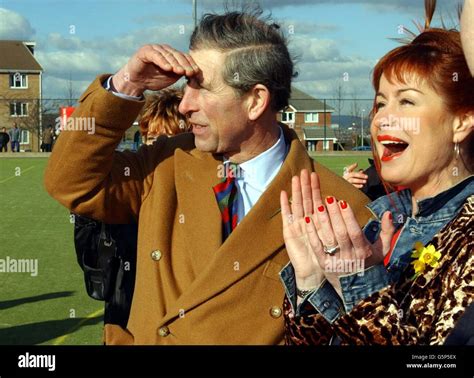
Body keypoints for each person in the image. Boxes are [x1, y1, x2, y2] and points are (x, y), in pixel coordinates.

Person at [44, 9, 372, 345]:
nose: (184, 105)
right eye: (188, 86)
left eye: (201, 88)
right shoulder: (167, 161)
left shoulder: (343, 208)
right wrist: (128, 83)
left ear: (256, 100)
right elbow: (72, 183)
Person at [280, 0, 473, 345]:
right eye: (380, 103)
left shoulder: (467, 238)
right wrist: (312, 283)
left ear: (462, 121)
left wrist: (363, 285)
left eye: (407, 101)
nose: (382, 118)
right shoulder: (375, 224)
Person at [73, 88, 189, 329]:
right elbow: (93, 262)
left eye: (169, 138)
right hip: (126, 311)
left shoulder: (201, 192)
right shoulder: (129, 186)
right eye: (151, 139)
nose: (159, 147)